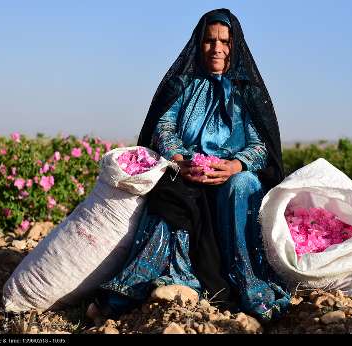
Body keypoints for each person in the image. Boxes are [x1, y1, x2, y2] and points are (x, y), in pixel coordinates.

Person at [86, 8, 290, 325]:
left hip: (229, 176)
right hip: (187, 171)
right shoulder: (183, 85)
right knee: (171, 195)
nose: (217, 48)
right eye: (210, 40)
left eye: (224, 41)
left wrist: (235, 166)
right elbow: (164, 127)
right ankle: (151, 285)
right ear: (199, 43)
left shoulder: (246, 93)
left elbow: (261, 145)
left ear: (236, 46)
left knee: (244, 186)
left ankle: (247, 282)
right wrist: (181, 161)